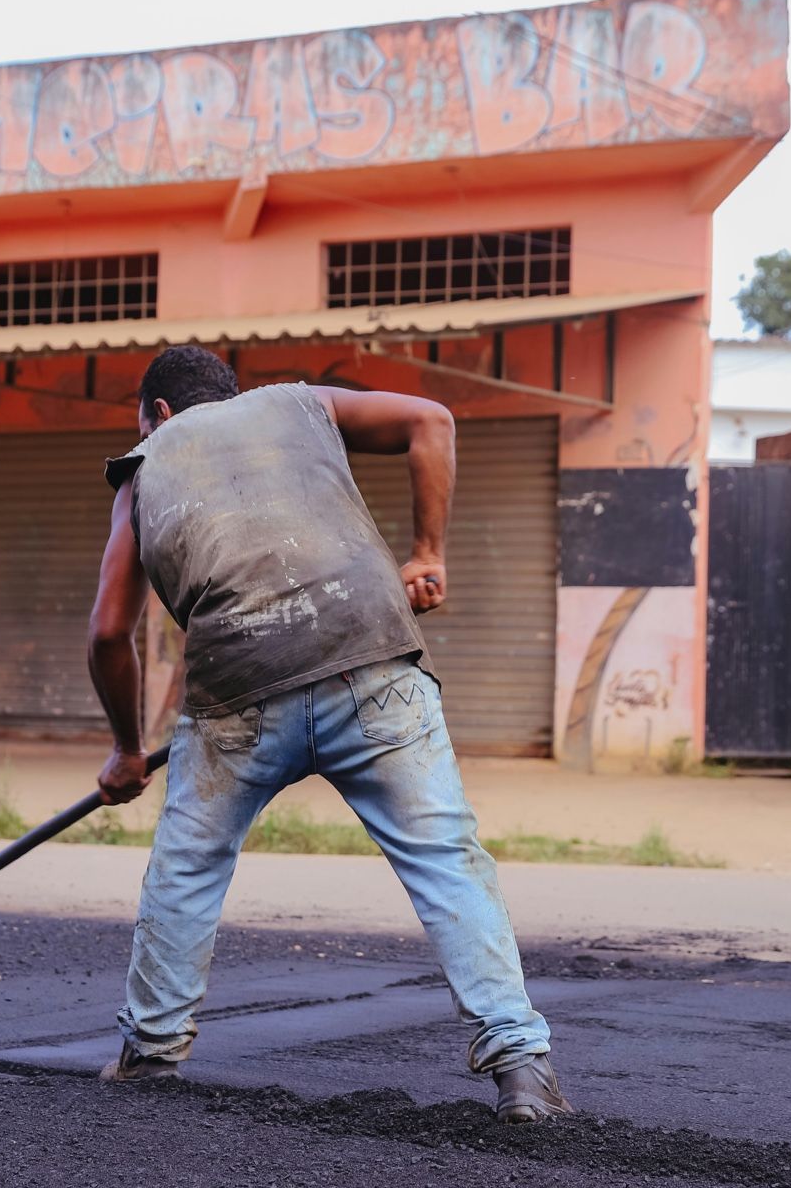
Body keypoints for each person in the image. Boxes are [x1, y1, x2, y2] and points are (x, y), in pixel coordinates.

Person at [86, 345, 570, 1123]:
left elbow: (111, 634)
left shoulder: (145, 466)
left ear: (161, 415)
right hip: (371, 664)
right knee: (445, 859)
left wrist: (124, 750)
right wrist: (428, 553)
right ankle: (521, 1067)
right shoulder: (298, 402)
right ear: (230, 396)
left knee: (189, 866)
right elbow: (431, 420)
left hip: (237, 694)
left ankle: (149, 1052)